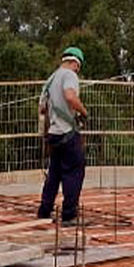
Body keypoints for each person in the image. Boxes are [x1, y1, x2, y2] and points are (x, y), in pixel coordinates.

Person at [36, 46, 89, 225]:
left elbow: (42, 108)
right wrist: (83, 111)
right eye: (78, 67)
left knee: (54, 173)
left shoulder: (50, 80)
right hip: (67, 133)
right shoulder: (69, 75)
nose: (77, 71)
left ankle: (44, 210)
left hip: (53, 135)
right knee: (74, 172)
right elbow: (70, 96)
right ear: (75, 62)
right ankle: (69, 215)